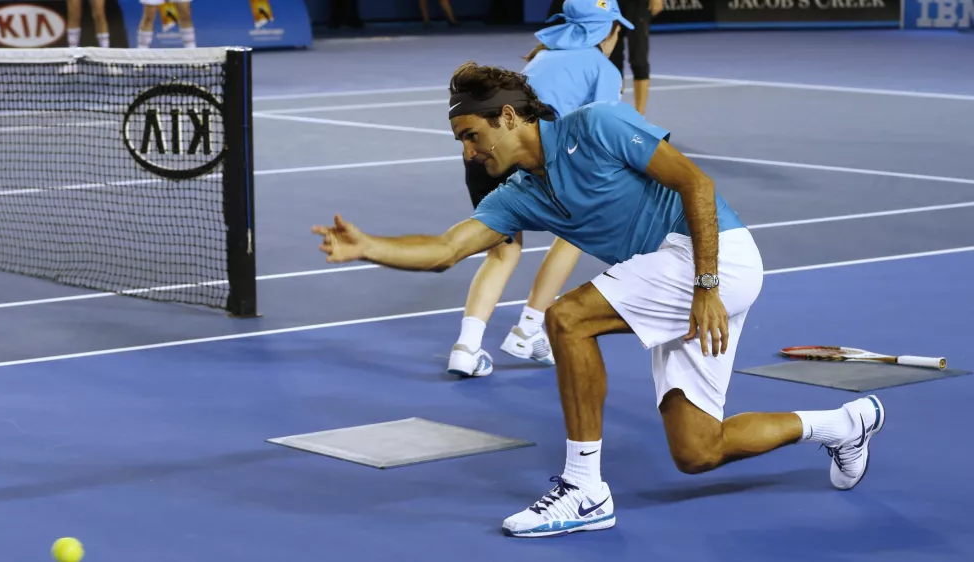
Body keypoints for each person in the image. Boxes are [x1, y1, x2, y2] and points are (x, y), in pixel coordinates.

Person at [311, 62, 886, 538]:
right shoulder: (519, 196)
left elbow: (696, 184)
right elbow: (446, 248)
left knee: (566, 318)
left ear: (508, 116)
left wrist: (707, 286)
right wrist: (368, 246)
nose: (468, 153)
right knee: (697, 450)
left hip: (714, 260)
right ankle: (842, 424)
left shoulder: (599, 124)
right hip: (671, 278)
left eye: (472, 136)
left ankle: (584, 490)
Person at [448, 0, 631, 378]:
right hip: (530, 158)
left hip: (482, 157)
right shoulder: (603, 68)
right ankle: (530, 327)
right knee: (578, 231)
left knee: (501, 254)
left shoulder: (542, 58)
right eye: (618, 28)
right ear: (606, 32)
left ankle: (466, 348)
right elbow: (608, 132)